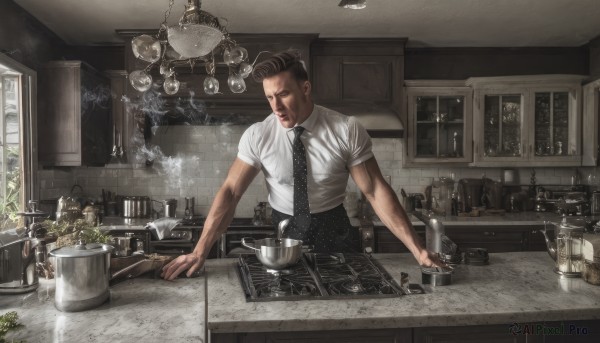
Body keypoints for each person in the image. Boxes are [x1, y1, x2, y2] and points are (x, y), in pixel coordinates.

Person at [161, 49, 444, 280]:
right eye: (270, 97)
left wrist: (418, 250)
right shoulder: (259, 135)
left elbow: (375, 191)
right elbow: (231, 192)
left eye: (283, 94)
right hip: (285, 238)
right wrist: (200, 250)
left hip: (336, 234)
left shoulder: (346, 129)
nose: (276, 106)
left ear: (305, 88)